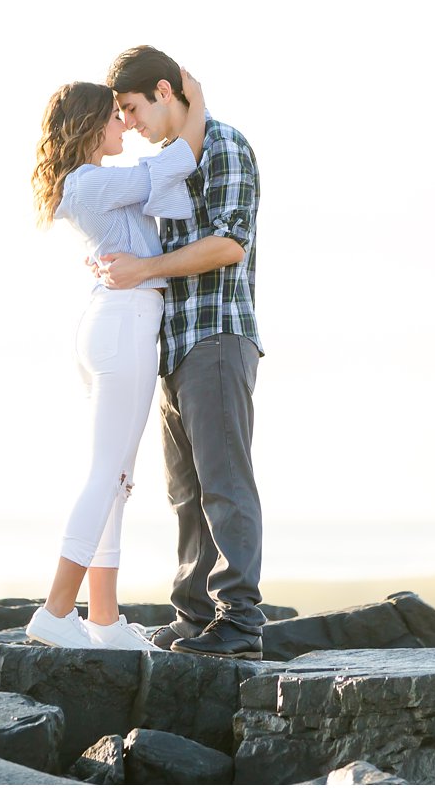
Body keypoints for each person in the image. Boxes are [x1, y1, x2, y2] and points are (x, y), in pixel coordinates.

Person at [24, 69, 208, 651]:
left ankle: (101, 618)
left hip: (115, 319)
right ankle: (57, 611)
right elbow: (177, 163)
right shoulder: (92, 184)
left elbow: (166, 190)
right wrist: (195, 99)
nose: (123, 125)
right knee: (108, 475)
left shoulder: (94, 183)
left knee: (116, 478)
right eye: (113, 116)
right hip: (124, 321)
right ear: (87, 125)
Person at [97, 45, 265, 660]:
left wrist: (145, 269)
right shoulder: (173, 160)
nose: (131, 123)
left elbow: (228, 244)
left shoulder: (226, 146)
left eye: (132, 107)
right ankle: (195, 616)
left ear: (165, 92)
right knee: (187, 493)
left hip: (218, 335)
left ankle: (240, 621)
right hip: (175, 347)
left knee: (224, 483)